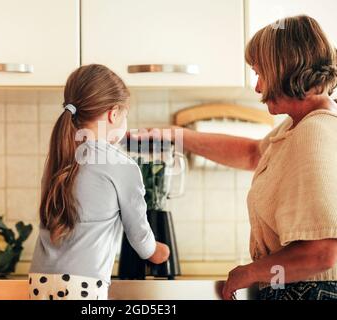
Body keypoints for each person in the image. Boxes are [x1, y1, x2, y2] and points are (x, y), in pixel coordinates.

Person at [135, 15, 337, 300]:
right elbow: (253, 153)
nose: (257, 87)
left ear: (284, 68)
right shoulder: (300, 125)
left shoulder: (315, 132)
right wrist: (175, 135)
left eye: (260, 73)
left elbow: (322, 254)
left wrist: (250, 272)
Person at [29, 64, 170, 300]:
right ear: (113, 114)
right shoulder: (122, 165)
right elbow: (139, 234)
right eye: (125, 116)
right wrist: (156, 251)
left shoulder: (58, 158)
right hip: (83, 285)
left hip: (39, 281)